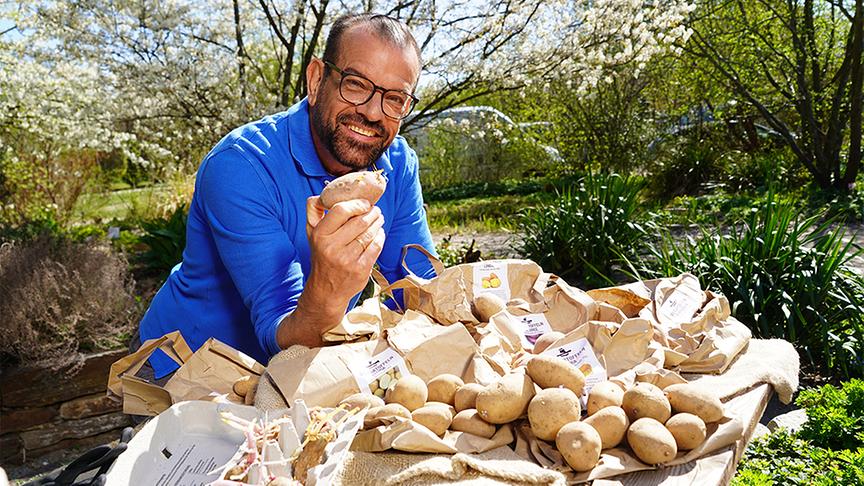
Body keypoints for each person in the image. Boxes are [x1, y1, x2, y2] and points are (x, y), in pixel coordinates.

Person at [133, 13, 438, 381]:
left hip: (299, 370)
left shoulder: (397, 164)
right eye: (356, 85)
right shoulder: (240, 165)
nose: (373, 112)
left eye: (395, 99)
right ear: (315, 79)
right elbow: (280, 334)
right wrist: (331, 287)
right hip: (188, 369)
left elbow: (419, 288)